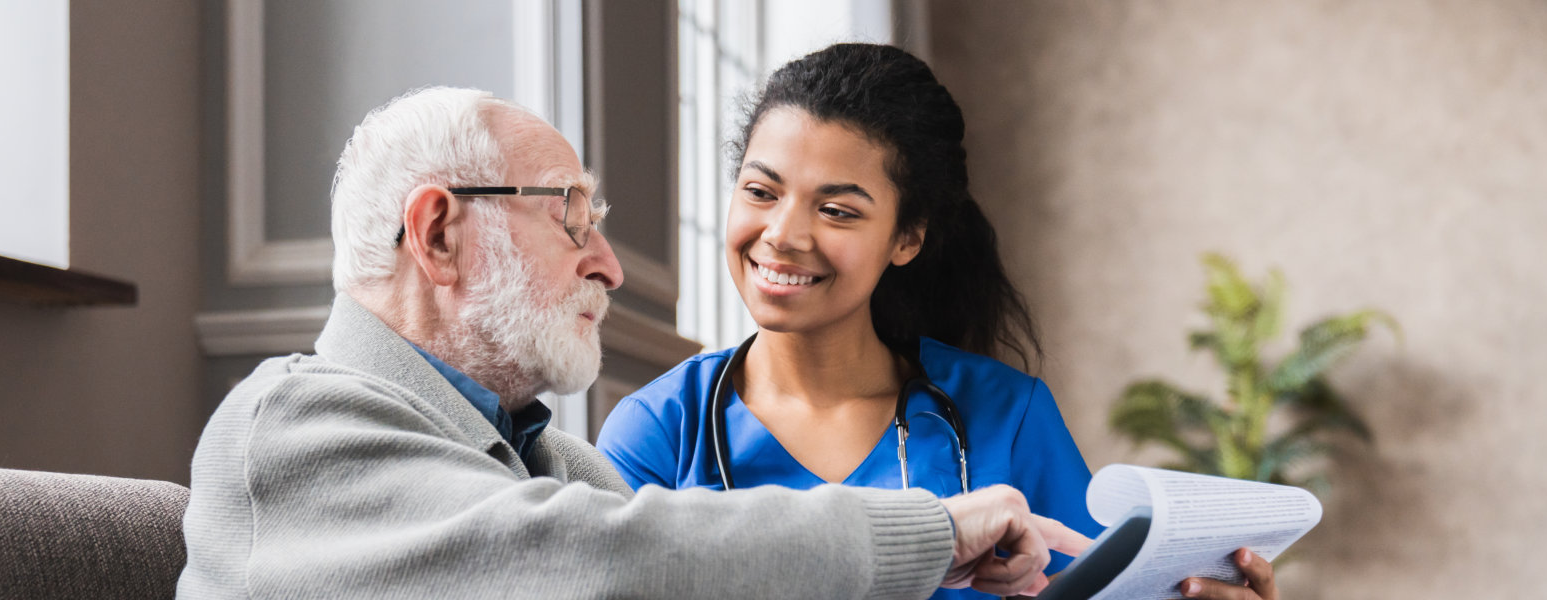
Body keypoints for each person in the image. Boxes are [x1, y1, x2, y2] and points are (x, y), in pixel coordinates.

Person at [176, 85, 1094, 600]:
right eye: (572, 217)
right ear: (439, 234)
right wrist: (934, 529)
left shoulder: (550, 462)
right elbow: (601, 562)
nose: (610, 266)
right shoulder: (291, 426)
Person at [594, 44, 1281, 600]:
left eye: (837, 210)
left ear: (907, 238)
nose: (782, 234)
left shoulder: (1003, 415)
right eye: (761, 191)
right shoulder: (659, 430)